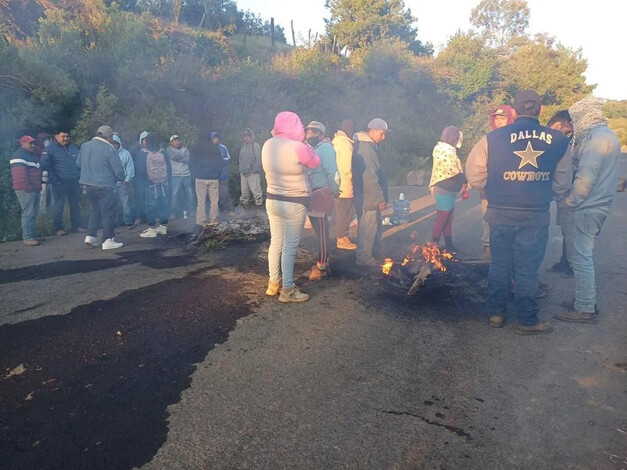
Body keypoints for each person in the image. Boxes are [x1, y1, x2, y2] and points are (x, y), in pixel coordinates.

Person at [465, 90, 572, 335]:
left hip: (500, 214)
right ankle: (526, 320)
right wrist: (544, 192)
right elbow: (563, 183)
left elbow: (474, 174)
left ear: (515, 110)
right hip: (535, 215)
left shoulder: (491, 138)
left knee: (500, 265)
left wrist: (493, 189)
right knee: (526, 269)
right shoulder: (559, 140)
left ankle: (495, 314)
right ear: (541, 110)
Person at [554, 97, 621, 324]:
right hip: (598, 204)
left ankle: (585, 309)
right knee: (582, 256)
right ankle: (585, 300)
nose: (573, 123)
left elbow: (585, 177)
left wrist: (569, 202)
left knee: (581, 257)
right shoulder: (608, 135)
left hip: (587, 206)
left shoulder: (594, 139)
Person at [263, 111, 320, 302]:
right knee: (289, 246)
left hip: (272, 200)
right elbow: (315, 162)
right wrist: (305, 144)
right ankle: (287, 289)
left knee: (275, 243)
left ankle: (273, 284)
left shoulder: (267, 144)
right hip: (294, 202)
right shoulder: (298, 147)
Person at [77, 125, 126, 250]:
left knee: (95, 210)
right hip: (105, 185)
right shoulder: (109, 149)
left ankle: (91, 236)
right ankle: (108, 239)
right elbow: (119, 170)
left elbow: (78, 163)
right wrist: (121, 178)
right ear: (109, 136)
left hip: (87, 185)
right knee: (108, 212)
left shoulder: (85, 146)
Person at [305, 121, 340, 280]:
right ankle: (324, 262)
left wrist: (334, 191)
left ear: (321, 134)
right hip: (314, 193)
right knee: (319, 232)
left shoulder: (325, 149)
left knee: (322, 232)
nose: (309, 134)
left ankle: (322, 266)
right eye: (308, 132)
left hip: (322, 193)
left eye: (313, 132)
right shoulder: (314, 149)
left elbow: (332, 172)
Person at [480, 105, 517, 259]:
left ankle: (509, 254)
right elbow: (480, 163)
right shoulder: (488, 138)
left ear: (510, 119)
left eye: (503, 118)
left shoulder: (516, 139)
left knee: (509, 222)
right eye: (497, 118)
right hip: (489, 188)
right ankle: (488, 249)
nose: (499, 121)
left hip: (510, 189)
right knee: (487, 220)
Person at [353, 118, 389, 267]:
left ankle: (372, 253)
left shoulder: (370, 146)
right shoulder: (366, 148)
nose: (384, 137)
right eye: (382, 134)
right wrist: (379, 198)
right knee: (368, 226)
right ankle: (364, 257)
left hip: (368, 194)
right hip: (368, 195)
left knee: (372, 224)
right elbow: (370, 177)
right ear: (372, 131)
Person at [429, 126, 467, 252]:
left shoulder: (440, 148)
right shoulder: (447, 150)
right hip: (445, 189)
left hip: (445, 188)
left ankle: (449, 246)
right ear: (454, 137)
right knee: (442, 219)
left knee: (448, 219)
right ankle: (433, 247)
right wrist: (465, 180)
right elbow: (452, 170)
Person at [546, 111, 574, 276]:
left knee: (570, 230)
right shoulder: (557, 141)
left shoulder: (568, 142)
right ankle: (566, 261)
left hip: (569, 192)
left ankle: (570, 262)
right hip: (561, 191)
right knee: (566, 228)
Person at [40, 130, 83, 236]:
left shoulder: (74, 149)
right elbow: (45, 165)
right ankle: (58, 228)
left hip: (74, 181)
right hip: (59, 182)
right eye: (63, 136)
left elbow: (81, 163)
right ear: (56, 137)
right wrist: (55, 179)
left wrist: (79, 177)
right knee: (59, 205)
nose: (65, 139)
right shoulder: (50, 149)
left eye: (67, 136)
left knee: (75, 205)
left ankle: (76, 226)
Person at [137, 134, 171, 238]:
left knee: (150, 206)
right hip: (164, 184)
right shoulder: (163, 152)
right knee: (164, 205)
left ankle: (151, 229)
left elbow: (140, 169)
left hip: (151, 185)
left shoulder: (144, 153)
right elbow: (169, 168)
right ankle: (163, 227)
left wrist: (144, 183)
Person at [10, 135, 42, 246]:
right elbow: (19, 176)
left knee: (33, 213)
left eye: (33, 143)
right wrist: (27, 188)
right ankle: (28, 237)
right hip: (25, 189)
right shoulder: (19, 156)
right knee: (28, 213)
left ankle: (32, 235)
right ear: (23, 144)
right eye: (30, 143)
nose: (33, 145)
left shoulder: (31, 155)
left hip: (33, 189)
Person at [190, 133, 226, 227]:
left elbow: (191, 163)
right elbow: (220, 162)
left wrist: (194, 175)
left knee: (200, 200)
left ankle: (201, 221)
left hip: (200, 178)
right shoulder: (214, 147)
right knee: (214, 200)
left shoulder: (195, 147)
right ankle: (214, 220)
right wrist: (217, 174)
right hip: (213, 178)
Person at [333, 119, 357, 250]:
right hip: (345, 184)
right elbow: (348, 167)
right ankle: (342, 239)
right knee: (345, 212)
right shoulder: (345, 144)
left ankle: (343, 236)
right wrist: (354, 179)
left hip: (339, 183)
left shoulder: (336, 141)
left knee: (342, 211)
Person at [166, 134, 194, 219]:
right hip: (175, 175)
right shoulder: (169, 149)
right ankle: (173, 213)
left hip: (186, 174)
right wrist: (182, 158)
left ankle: (192, 211)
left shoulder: (185, 149)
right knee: (175, 195)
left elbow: (188, 159)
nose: (177, 142)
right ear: (171, 143)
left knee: (190, 194)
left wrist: (179, 158)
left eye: (178, 140)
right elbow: (173, 156)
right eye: (175, 141)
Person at [112, 134, 135, 227]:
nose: (114, 145)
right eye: (112, 143)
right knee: (113, 204)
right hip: (111, 184)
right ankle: (115, 223)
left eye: (116, 143)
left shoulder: (126, 153)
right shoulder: (107, 153)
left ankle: (128, 221)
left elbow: (130, 167)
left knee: (125, 203)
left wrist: (127, 179)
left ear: (119, 144)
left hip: (123, 183)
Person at [129, 131, 150, 227]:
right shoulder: (134, 150)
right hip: (139, 178)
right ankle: (139, 217)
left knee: (150, 197)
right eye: (144, 140)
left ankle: (150, 216)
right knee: (139, 198)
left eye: (147, 140)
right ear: (140, 140)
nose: (146, 142)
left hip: (150, 177)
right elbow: (131, 163)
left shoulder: (152, 149)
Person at [238, 128, 263, 206]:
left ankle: (259, 208)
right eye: (245, 136)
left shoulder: (255, 146)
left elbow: (259, 160)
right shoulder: (243, 146)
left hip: (253, 173)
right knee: (244, 193)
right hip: (243, 173)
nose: (246, 138)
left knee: (257, 192)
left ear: (251, 136)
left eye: (248, 136)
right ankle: (244, 209)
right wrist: (241, 170)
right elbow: (240, 159)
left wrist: (253, 170)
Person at [212, 132, 234, 213]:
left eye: (216, 137)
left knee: (224, 193)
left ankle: (229, 210)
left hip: (223, 176)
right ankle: (216, 211)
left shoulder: (223, 148)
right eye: (214, 138)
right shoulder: (208, 149)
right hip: (212, 177)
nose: (216, 139)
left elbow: (229, 159)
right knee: (213, 196)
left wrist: (221, 160)